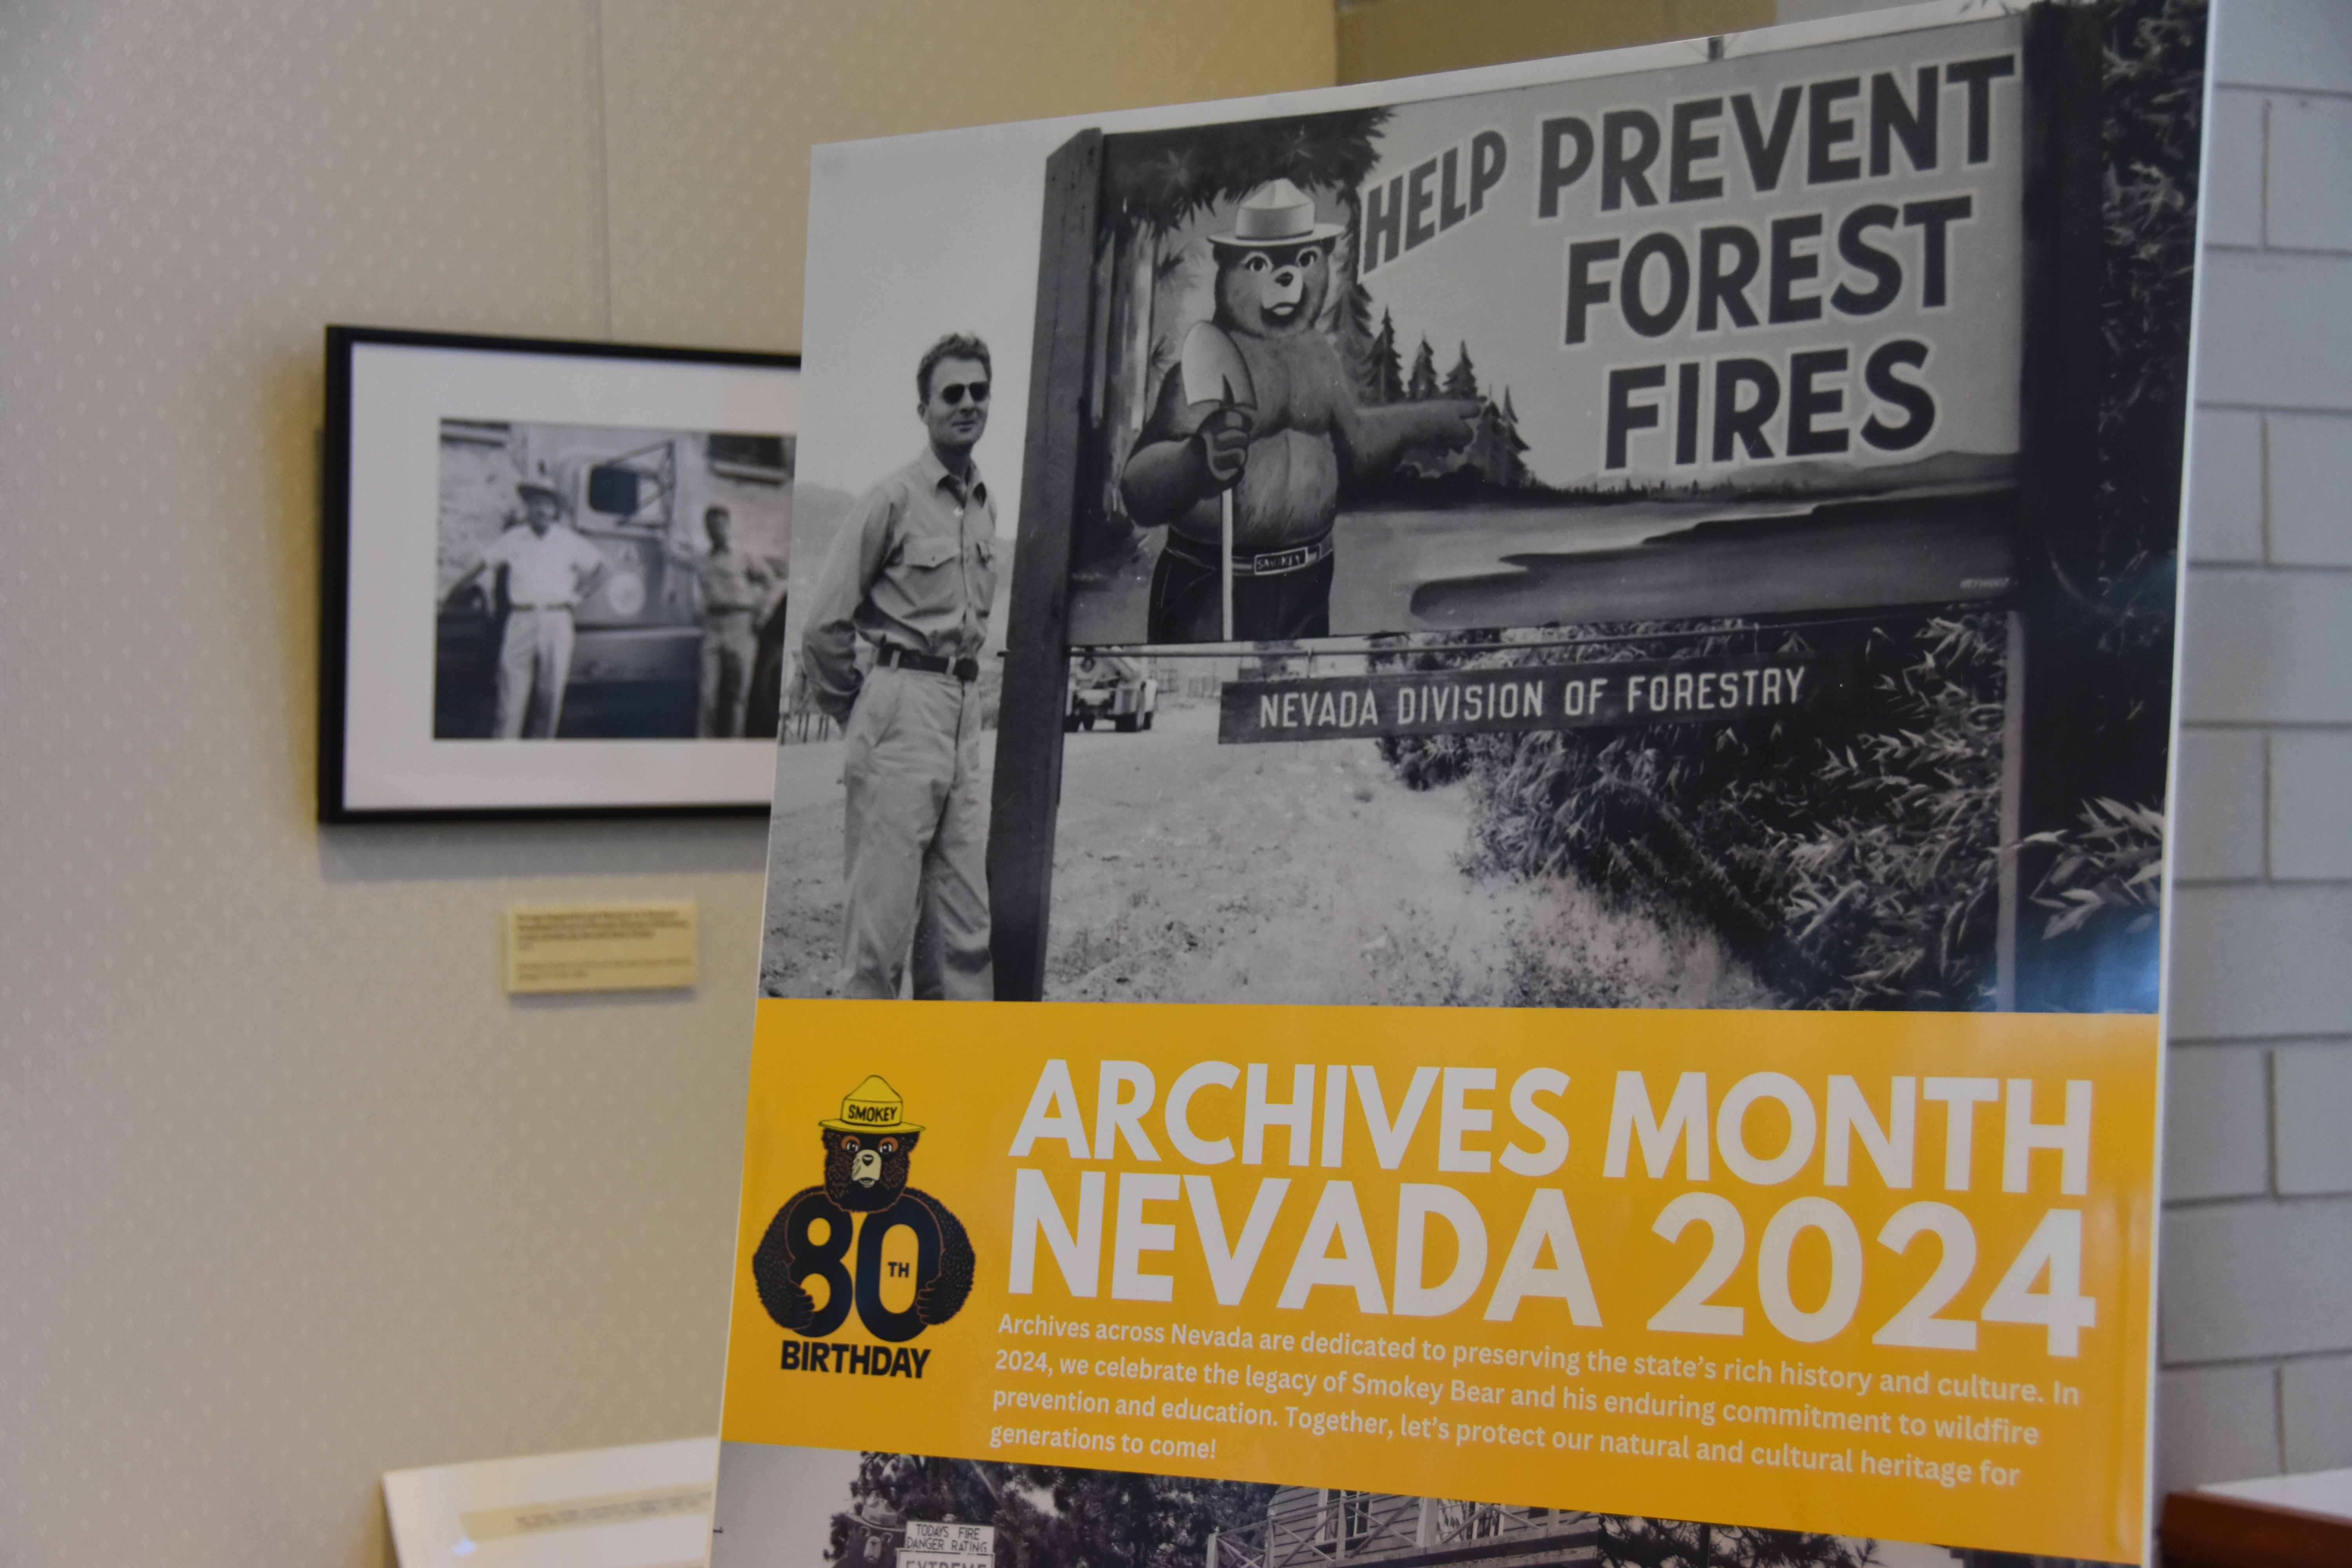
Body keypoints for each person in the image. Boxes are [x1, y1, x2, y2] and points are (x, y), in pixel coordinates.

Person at [801, 334, 999, 1000]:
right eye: (952, 393)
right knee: (878, 940)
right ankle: (865, 1096)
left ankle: (954, 1093)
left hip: (961, 715)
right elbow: (824, 622)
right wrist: (858, 709)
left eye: (978, 391)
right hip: (899, 706)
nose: (967, 404)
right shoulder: (890, 500)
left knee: (963, 933)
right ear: (924, 409)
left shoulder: (982, 507)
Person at [446, 478, 608, 739]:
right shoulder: (514, 539)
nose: (541, 510)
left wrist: (579, 595)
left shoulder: (568, 541)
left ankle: (539, 759)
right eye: (535, 504)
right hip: (521, 621)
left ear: (555, 511)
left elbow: (604, 569)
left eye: (547, 505)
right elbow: (482, 565)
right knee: (509, 701)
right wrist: (452, 591)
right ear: (527, 508)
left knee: (550, 698)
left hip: (557, 620)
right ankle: (504, 758)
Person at [688, 505, 781, 737]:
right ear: (706, 529)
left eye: (720, 526)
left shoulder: (744, 556)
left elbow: (773, 583)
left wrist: (763, 614)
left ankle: (733, 748)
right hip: (713, 626)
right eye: (711, 527)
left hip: (742, 625)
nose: (716, 531)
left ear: (728, 527)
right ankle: (704, 748)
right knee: (707, 693)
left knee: (738, 695)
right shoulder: (701, 560)